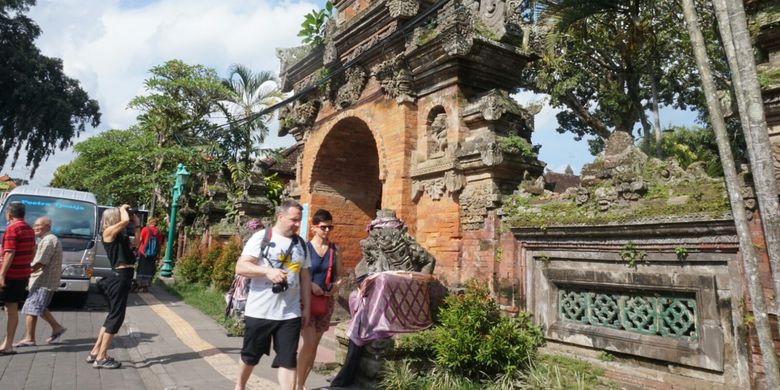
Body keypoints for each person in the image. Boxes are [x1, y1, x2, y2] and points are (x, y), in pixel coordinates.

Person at [235, 199, 312, 390]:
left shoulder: (301, 243)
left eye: (299, 221)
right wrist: (267, 272)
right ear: (281, 217)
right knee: (250, 356)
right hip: (260, 311)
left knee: (288, 359)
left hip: (290, 313)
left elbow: (305, 276)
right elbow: (241, 266)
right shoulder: (262, 237)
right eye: (293, 220)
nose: (297, 224)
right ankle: (240, 386)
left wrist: (307, 308)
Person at [87, 204, 139, 369]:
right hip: (119, 277)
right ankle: (101, 357)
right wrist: (122, 209)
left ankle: (95, 351)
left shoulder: (120, 236)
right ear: (113, 218)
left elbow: (136, 244)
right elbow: (124, 221)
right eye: (119, 215)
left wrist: (137, 225)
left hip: (124, 276)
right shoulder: (107, 233)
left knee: (112, 315)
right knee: (116, 317)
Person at [297, 209, 341, 389]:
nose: (328, 231)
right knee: (307, 344)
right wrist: (310, 286)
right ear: (314, 228)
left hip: (325, 302)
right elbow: (296, 275)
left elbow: (340, 276)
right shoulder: (304, 248)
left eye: (330, 227)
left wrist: (335, 287)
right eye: (324, 227)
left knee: (314, 346)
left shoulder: (335, 250)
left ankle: (302, 383)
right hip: (305, 301)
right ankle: (296, 385)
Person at [14, 217, 67, 347]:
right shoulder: (45, 240)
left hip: (43, 281)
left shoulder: (49, 240)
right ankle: (56, 327)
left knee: (32, 308)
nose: (35, 227)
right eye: (35, 225)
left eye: (39, 225)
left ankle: (29, 338)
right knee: (37, 307)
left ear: (48, 226)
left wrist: (23, 272)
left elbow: (40, 263)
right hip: (42, 281)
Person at [0, 202, 35, 355]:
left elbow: (9, 252)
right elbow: (34, 249)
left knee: (9, 308)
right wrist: (27, 265)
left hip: (9, 274)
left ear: (9, 214)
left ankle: (6, 345)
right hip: (21, 275)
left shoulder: (12, 228)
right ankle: (8, 344)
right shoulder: (29, 229)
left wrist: (1, 274)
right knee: (11, 308)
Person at [135, 217, 162, 292]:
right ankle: (145, 287)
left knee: (141, 269)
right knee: (149, 270)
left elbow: (140, 240)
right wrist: (158, 255)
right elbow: (159, 244)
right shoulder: (158, 232)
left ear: (149, 222)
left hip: (144, 253)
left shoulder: (145, 229)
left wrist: (137, 249)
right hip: (153, 254)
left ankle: (139, 285)